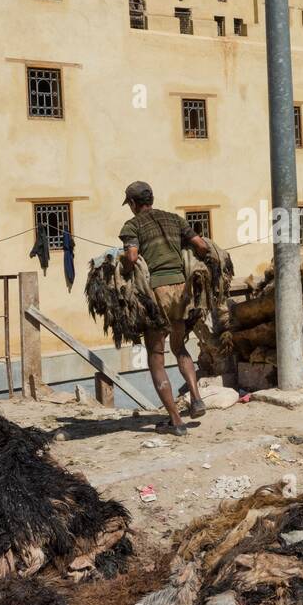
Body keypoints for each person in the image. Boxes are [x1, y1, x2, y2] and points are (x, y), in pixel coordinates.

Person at [118, 181, 210, 435]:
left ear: (134, 204)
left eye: (131, 204)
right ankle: (196, 397)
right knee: (180, 347)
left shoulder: (132, 225)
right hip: (181, 290)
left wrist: (124, 268)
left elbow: (132, 257)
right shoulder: (174, 219)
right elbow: (201, 246)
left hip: (155, 294)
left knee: (156, 357)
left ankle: (176, 422)